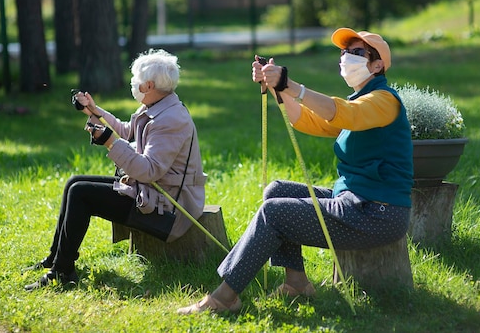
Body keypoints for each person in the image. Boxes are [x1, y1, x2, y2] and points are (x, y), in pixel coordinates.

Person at [177, 27, 413, 314]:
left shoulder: (383, 100)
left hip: (377, 213)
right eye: (344, 51)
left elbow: (343, 113)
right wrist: (279, 88)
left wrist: (291, 85)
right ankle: (297, 284)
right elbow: (308, 121)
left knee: (274, 212)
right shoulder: (360, 100)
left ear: (377, 65)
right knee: (276, 191)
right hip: (355, 202)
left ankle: (224, 298)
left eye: (356, 52)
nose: (346, 57)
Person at [24, 49, 207, 291]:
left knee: (82, 193)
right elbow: (127, 132)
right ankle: (57, 258)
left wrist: (109, 141)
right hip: (153, 193)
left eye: (136, 81)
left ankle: (62, 272)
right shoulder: (158, 105)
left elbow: (149, 171)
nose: (133, 84)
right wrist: (94, 111)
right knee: (74, 183)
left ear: (149, 85)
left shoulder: (170, 120)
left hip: (169, 208)